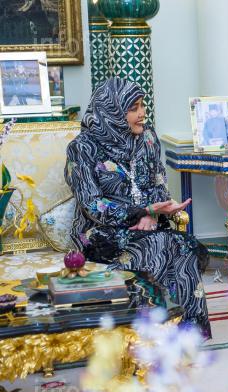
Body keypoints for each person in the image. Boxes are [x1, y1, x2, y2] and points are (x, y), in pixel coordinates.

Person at [65, 78, 211, 339]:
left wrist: (155, 211)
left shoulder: (148, 138)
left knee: (180, 247)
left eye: (143, 105)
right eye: (133, 108)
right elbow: (92, 204)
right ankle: (146, 335)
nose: (142, 113)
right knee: (164, 245)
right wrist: (142, 212)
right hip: (101, 232)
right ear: (111, 111)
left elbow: (159, 182)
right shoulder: (82, 148)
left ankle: (184, 333)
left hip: (149, 226)